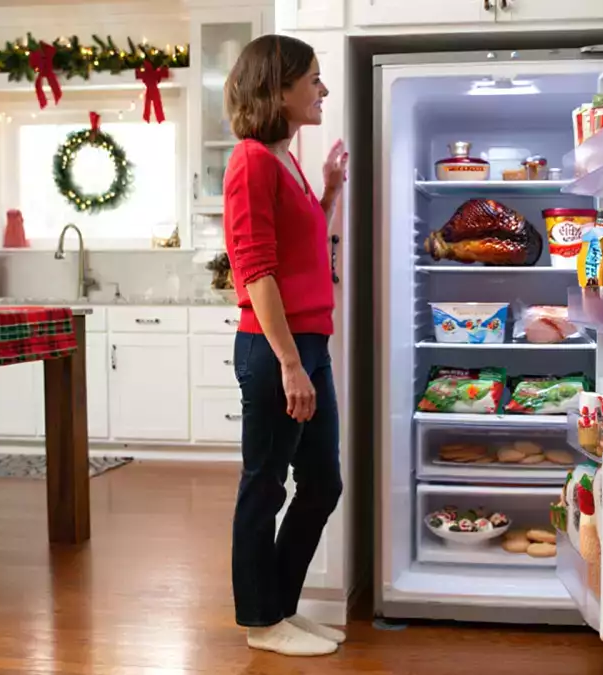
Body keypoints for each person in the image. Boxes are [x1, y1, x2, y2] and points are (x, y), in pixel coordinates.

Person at [222, 34, 349, 657]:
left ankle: (282, 611)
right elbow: (257, 270)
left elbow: (301, 250)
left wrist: (327, 191)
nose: (322, 90)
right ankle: (260, 622)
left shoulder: (284, 158)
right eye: (314, 80)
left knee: (322, 483)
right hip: (279, 350)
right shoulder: (250, 159)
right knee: (265, 486)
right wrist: (290, 364)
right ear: (278, 88)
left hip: (308, 345)